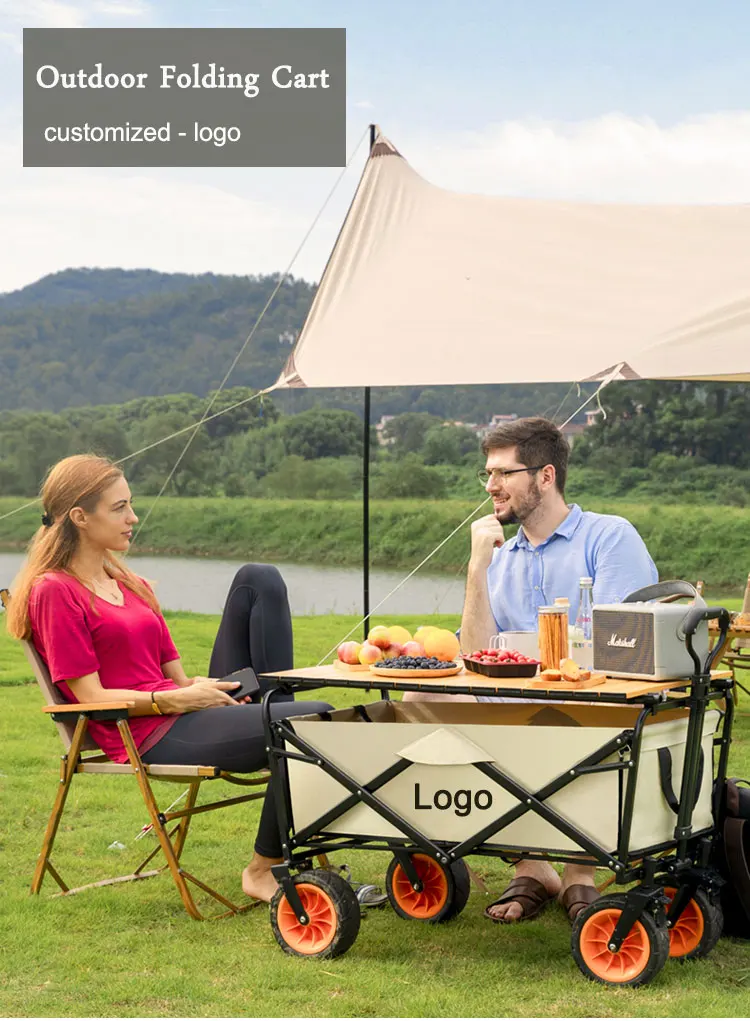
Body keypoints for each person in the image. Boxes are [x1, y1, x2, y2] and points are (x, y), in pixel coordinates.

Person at [5, 454, 332, 904]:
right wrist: (178, 700)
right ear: (80, 517)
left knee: (259, 578)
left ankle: (273, 707)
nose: (133, 518)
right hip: (145, 730)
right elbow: (90, 695)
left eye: (130, 504)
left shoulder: (128, 581)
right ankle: (262, 869)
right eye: (119, 508)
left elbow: (173, 674)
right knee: (311, 720)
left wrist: (203, 689)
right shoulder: (54, 591)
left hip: (181, 707)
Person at [406, 416, 658, 924]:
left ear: (546, 476)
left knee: (566, 715)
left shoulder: (608, 537)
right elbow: (475, 658)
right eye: (487, 473)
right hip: (512, 706)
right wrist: (477, 567)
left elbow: (624, 647)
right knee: (420, 700)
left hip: (591, 699)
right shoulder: (501, 557)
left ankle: (580, 873)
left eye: (504, 473)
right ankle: (531, 864)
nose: (491, 486)